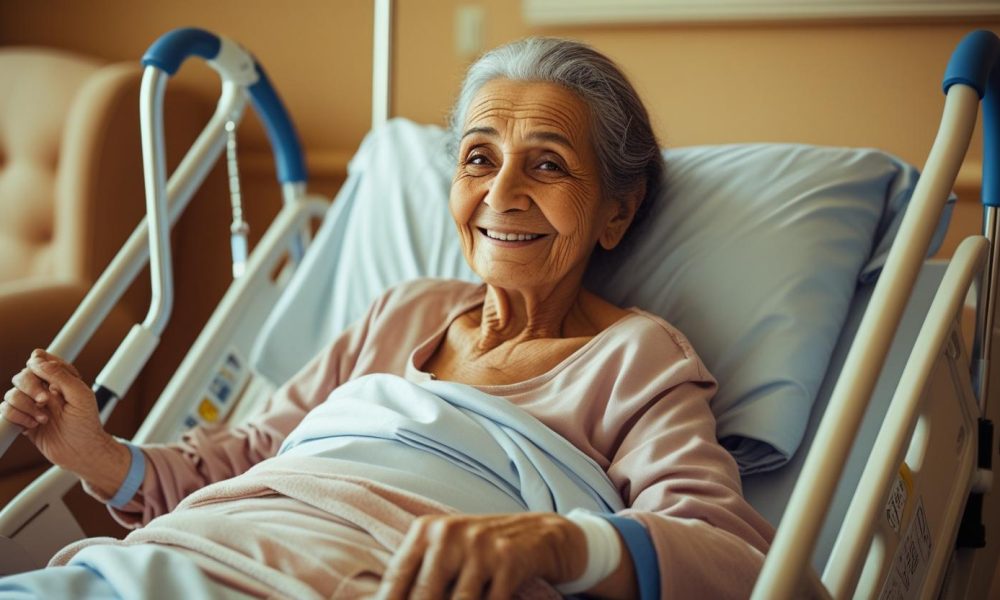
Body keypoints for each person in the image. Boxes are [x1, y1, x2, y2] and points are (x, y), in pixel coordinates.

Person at [1, 37, 773, 599]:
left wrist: (560, 543)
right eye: (479, 158)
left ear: (617, 211)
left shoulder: (635, 358)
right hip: (183, 556)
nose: (501, 193)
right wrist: (99, 455)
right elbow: (253, 456)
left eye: (546, 164)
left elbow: (734, 560)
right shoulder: (402, 312)